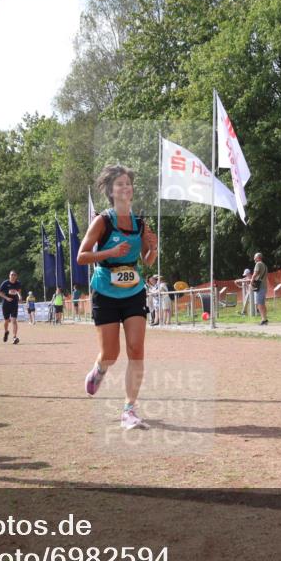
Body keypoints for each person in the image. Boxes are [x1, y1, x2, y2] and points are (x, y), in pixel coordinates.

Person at [77, 164, 158, 430]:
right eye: (120, 184)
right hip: (105, 291)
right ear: (111, 191)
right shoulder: (103, 221)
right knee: (111, 353)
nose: (125, 187)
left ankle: (129, 410)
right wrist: (110, 253)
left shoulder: (140, 223)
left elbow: (147, 261)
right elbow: (81, 256)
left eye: (128, 183)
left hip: (133, 290)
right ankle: (99, 370)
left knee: (136, 349)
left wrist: (154, 248)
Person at [0, 270, 23, 344]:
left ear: (16, 276)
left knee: (14, 320)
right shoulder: (5, 283)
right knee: (6, 321)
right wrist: (6, 298)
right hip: (6, 304)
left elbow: (18, 291)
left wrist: (20, 296)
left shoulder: (18, 283)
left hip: (14, 304)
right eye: (12, 275)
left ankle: (14, 337)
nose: (13, 276)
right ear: (9, 276)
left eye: (14, 275)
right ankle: (6, 332)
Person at [252, 252, 269, 325]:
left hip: (259, 287)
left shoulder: (258, 264)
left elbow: (255, 274)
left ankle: (264, 319)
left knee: (259, 304)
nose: (254, 259)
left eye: (255, 257)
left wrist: (251, 282)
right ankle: (265, 318)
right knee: (262, 303)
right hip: (264, 286)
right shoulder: (264, 265)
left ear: (258, 258)